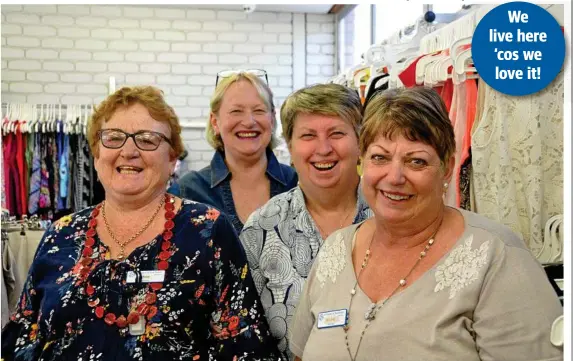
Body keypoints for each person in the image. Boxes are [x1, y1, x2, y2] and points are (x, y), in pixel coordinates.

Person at [1, 86, 282, 361]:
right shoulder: (60, 234)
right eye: (113, 138)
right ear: (96, 152)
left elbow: (247, 346)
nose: (129, 151)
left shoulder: (206, 231)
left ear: (172, 157)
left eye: (147, 139)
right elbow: (23, 336)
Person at [289, 87, 563, 361]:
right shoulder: (335, 251)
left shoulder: (497, 257)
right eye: (380, 157)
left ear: (447, 167)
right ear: (363, 162)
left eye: (416, 161)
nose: (394, 176)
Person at [240, 83, 373, 360]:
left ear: (360, 140)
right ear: (289, 145)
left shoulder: (389, 216)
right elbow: (248, 335)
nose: (323, 149)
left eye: (337, 133)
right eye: (308, 135)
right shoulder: (261, 229)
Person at [171, 70, 298, 233]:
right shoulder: (188, 191)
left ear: (272, 120)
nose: (249, 122)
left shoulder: (297, 184)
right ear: (215, 122)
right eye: (236, 111)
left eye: (259, 110)